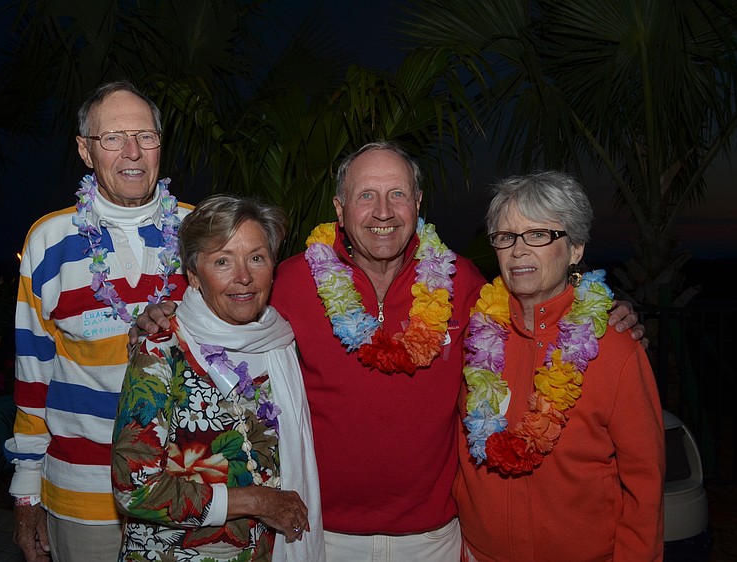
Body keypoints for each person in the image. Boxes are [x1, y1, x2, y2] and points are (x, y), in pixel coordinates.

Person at [134, 142, 644, 562]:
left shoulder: (465, 284)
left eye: (397, 194)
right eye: (366, 196)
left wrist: (603, 311)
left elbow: (539, 306)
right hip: (322, 535)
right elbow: (227, 305)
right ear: (340, 208)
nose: (382, 212)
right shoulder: (289, 282)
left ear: (418, 203)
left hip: (434, 539)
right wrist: (165, 314)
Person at [4, 80, 194, 561]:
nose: (132, 151)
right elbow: (33, 375)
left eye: (145, 135)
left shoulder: (204, 233)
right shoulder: (48, 241)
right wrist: (27, 494)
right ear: (86, 151)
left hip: (189, 486)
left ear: (159, 144)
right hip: (83, 493)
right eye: (112, 138)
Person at [455, 171, 664, 561]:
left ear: (575, 249)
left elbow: (644, 483)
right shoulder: (472, 332)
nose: (518, 251)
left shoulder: (614, 347)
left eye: (538, 234)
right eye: (506, 236)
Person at [112, 194, 324, 561]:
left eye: (256, 258)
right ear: (193, 275)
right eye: (222, 261)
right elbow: (133, 487)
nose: (243, 277)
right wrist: (257, 501)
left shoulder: (280, 340)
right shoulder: (162, 348)